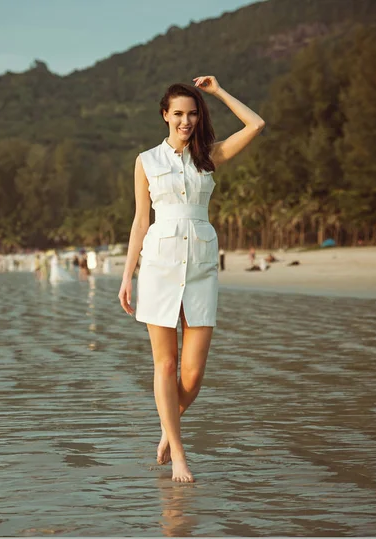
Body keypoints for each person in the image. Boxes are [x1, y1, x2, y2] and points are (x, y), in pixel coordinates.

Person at [117, 76, 265, 482]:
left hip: (201, 267)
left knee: (193, 375)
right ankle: (179, 454)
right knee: (164, 366)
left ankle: (168, 429)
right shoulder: (146, 161)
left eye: (193, 113)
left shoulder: (209, 157)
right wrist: (127, 276)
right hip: (159, 267)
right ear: (165, 116)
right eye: (178, 114)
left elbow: (256, 125)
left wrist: (218, 92)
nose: (186, 121)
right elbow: (139, 221)